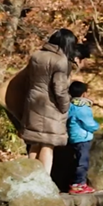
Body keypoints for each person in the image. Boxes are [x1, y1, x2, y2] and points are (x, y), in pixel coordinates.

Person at [21, 28, 78, 175]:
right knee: (48, 144)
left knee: (34, 143)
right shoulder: (61, 61)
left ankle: (29, 178)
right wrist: (65, 106)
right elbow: (60, 89)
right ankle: (44, 181)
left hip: (33, 102)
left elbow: (26, 79)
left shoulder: (36, 55)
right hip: (51, 107)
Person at [67, 81, 100, 194]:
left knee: (76, 160)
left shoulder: (70, 105)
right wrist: (96, 127)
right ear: (84, 94)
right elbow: (88, 123)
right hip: (82, 137)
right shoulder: (82, 107)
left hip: (74, 136)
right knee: (83, 162)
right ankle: (78, 185)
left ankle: (77, 183)